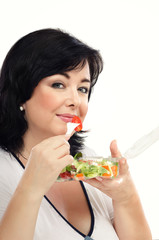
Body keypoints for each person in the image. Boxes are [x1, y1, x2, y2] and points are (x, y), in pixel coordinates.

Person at [0, 28, 151, 240]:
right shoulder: (4, 169)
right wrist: (30, 188)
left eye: (83, 89)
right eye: (58, 84)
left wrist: (126, 197)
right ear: (21, 93)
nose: (75, 101)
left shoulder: (88, 162)